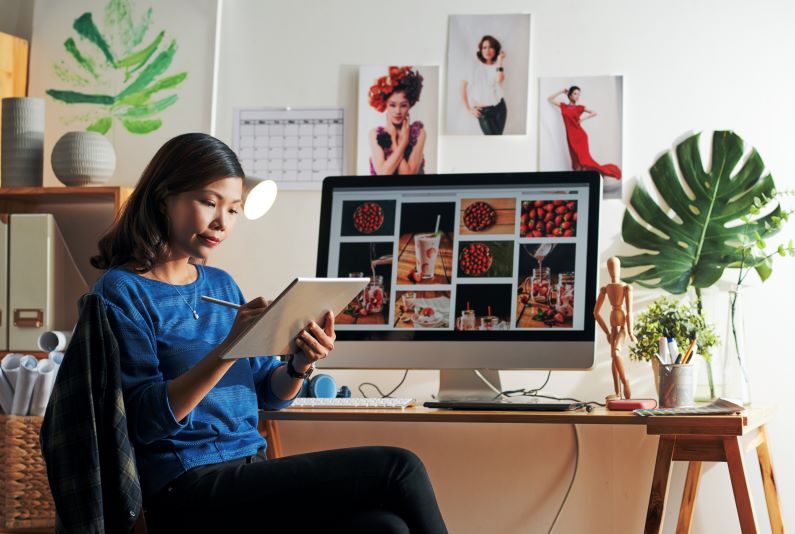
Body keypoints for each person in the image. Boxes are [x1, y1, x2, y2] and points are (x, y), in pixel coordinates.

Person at [90, 133, 448, 533]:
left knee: (385, 527)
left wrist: (298, 364)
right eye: (209, 203)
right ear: (163, 198)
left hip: (249, 473)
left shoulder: (221, 284)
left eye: (233, 210)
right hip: (186, 486)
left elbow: (269, 395)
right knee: (399, 467)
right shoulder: (122, 291)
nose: (221, 223)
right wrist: (227, 349)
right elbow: (144, 421)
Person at [548, 86, 621, 180]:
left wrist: (582, 119)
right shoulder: (563, 106)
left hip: (580, 136)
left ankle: (599, 175)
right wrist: (561, 91)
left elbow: (594, 112)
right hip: (570, 137)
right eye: (575, 93)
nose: (577, 96)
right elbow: (550, 99)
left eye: (578, 94)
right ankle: (582, 180)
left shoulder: (579, 108)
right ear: (569, 95)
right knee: (576, 159)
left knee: (584, 160)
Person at [368, 66, 427, 175]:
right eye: (392, 105)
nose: (398, 111)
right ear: (386, 104)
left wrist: (399, 142)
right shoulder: (375, 134)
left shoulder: (418, 133)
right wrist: (395, 138)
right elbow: (383, 174)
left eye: (403, 105)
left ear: (411, 104)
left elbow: (407, 175)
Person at [593, 257, 635, 399]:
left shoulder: (625, 287)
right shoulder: (605, 289)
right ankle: (618, 393)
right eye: (610, 267)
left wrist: (630, 331)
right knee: (613, 358)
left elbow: (629, 311)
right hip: (612, 327)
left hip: (622, 327)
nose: (613, 270)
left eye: (615, 266)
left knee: (616, 353)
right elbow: (595, 313)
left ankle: (626, 382)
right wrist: (605, 331)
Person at [461, 35, 507, 135]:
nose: (487, 50)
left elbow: (499, 79)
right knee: (492, 141)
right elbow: (463, 88)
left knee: (499, 140)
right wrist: (469, 109)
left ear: (495, 50)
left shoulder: (497, 67)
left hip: (500, 108)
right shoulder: (474, 65)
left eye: (491, 47)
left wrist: (499, 61)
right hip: (483, 112)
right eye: (484, 47)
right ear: (481, 50)